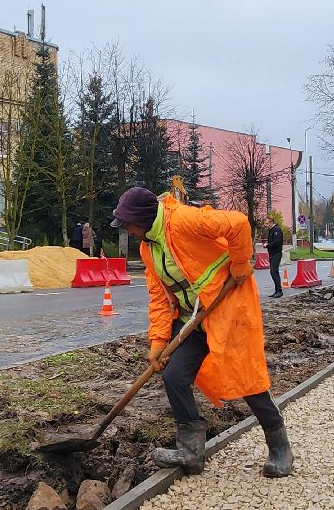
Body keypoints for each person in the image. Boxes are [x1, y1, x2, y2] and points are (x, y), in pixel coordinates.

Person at [111, 185, 293, 479]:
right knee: (173, 376)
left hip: (227, 307)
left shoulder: (183, 220)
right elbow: (159, 296)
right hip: (192, 318)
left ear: (143, 219)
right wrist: (158, 341)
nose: (128, 231)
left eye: (129, 225)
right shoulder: (148, 248)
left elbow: (238, 223)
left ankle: (278, 444)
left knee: (245, 377)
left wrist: (238, 262)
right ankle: (191, 451)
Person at [263, 215, 285, 297]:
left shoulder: (277, 230)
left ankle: (279, 291)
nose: (266, 225)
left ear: (271, 223)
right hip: (272, 253)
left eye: (267, 223)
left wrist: (267, 245)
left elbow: (277, 242)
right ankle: (277, 291)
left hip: (276, 253)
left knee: (273, 271)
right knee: (274, 272)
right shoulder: (271, 230)